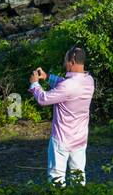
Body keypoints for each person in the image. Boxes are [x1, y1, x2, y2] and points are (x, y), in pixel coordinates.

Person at [28, 46, 95, 186]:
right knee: (78, 177)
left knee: (56, 178)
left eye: (66, 61)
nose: (65, 64)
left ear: (72, 62)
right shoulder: (89, 81)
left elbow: (43, 99)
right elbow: (65, 85)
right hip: (80, 139)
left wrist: (34, 84)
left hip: (61, 140)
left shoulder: (68, 86)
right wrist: (48, 78)